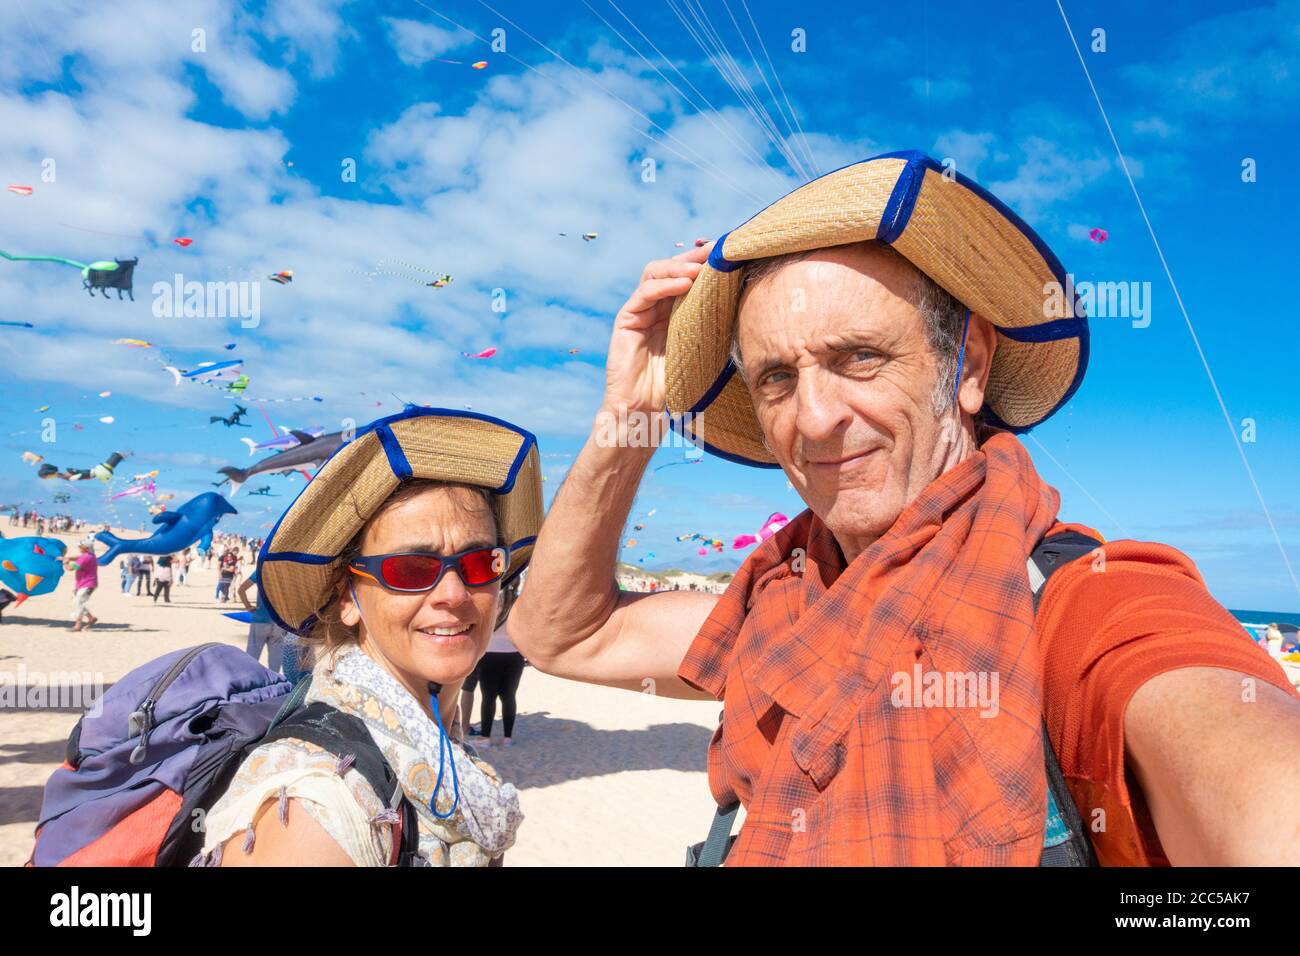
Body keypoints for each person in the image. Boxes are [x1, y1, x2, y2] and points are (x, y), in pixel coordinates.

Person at [509, 151, 1300, 866]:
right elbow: (560, 634)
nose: (815, 418)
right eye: (777, 378)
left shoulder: (1086, 608)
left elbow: (1252, 767)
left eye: (860, 357)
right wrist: (628, 416)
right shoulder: (781, 605)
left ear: (970, 366)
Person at [195, 408, 540, 867]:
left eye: (480, 564)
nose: (455, 595)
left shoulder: (437, 751)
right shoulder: (319, 810)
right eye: (411, 569)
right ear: (348, 599)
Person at [477, 622, 526, 747]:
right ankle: (507, 738)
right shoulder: (516, 608)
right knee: (509, 697)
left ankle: (485, 738)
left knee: (488, 698)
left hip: (490, 652)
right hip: (514, 653)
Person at [64, 538, 99, 632]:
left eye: (80, 547)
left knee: (78, 602)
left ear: (86, 548)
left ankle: (78, 625)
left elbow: (71, 568)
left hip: (88, 584)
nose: (78, 548)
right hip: (83, 583)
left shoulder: (86, 557)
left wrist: (65, 563)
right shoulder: (90, 555)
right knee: (75, 602)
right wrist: (68, 558)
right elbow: (78, 557)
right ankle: (91, 618)